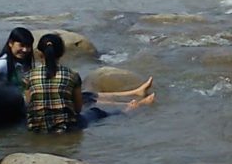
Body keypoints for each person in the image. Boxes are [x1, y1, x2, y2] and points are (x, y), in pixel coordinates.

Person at [0, 27, 155, 103]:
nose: (25, 50)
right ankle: (131, 105)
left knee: (87, 95)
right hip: (21, 101)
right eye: (21, 46)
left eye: (28, 46)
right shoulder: (4, 63)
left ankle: (132, 93)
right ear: (11, 43)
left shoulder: (20, 62)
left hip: (29, 96)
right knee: (85, 100)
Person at [22, 33, 154, 133]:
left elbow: (29, 105)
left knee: (88, 98)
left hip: (37, 129)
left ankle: (135, 97)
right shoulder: (71, 75)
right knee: (97, 112)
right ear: (62, 53)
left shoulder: (28, 76)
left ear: (39, 53)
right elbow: (78, 109)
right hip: (67, 127)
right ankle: (130, 108)